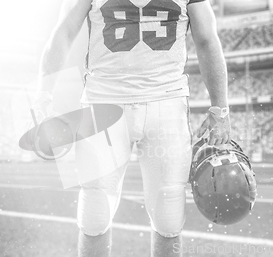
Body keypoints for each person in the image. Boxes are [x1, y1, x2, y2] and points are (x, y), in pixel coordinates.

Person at [33, 0, 230, 256]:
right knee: (95, 212)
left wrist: (220, 108)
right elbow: (64, 32)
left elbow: (206, 39)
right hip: (103, 101)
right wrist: (42, 96)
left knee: (168, 215)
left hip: (166, 101)